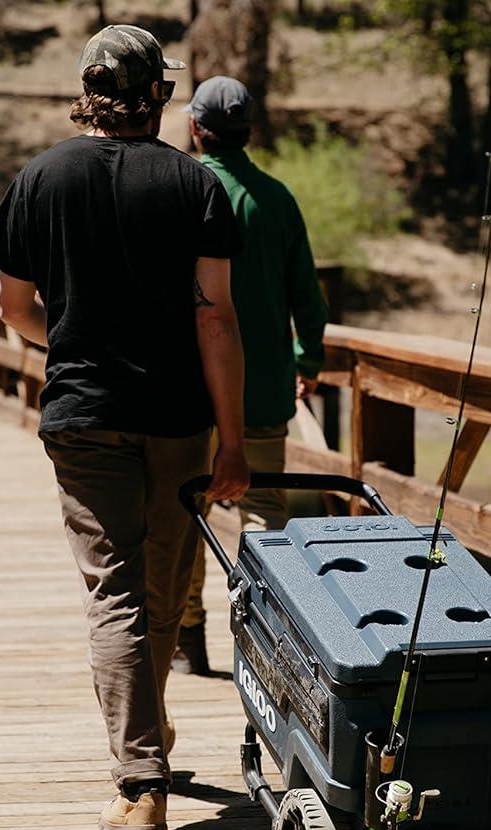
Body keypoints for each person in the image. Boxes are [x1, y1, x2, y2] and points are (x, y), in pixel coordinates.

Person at [0, 25, 250, 830]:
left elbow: (13, 308)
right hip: (177, 419)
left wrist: (69, 343)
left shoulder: (41, 177)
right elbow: (218, 322)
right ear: (160, 95)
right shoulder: (195, 184)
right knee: (160, 586)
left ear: (87, 90)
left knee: (119, 592)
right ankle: (146, 753)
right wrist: (232, 439)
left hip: (84, 417)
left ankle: (141, 777)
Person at [172, 76, 329, 676]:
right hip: (262, 388)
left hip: (191, 390)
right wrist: (307, 359)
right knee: (264, 513)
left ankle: (189, 641)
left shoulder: (183, 193)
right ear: (250, 130)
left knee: (190, 512)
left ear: (195, 128)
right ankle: (265, 642)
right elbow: (307, 300)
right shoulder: (277, 199)